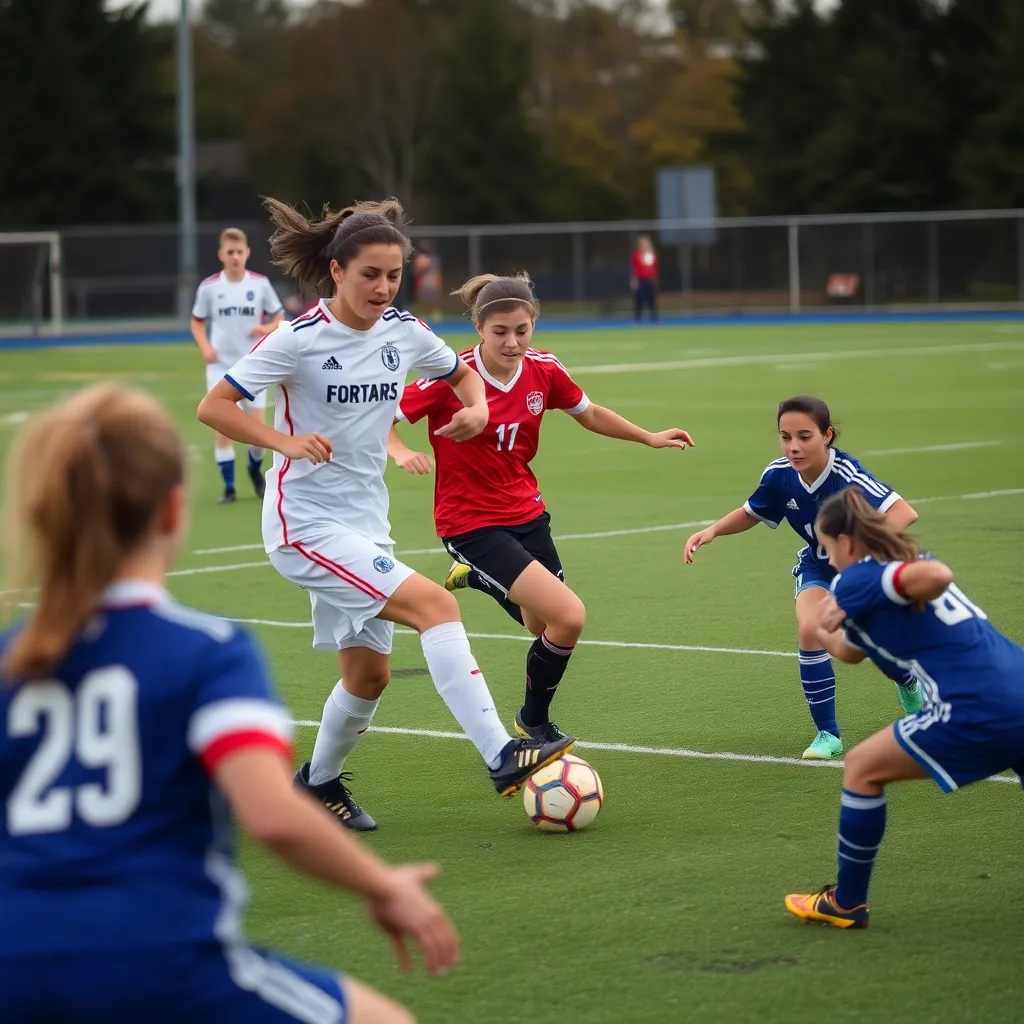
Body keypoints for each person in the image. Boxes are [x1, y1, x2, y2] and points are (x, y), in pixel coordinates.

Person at [0, 384, 459, 1024]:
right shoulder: (207, 652)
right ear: (171, 512)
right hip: (162, 962)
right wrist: (382, 887)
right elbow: (272, 816)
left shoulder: (13, 660)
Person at [198, 199, 574, 832]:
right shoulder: (299, 338)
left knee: (368, 676)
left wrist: (478, 409)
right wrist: (286, 443)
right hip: (305, 524)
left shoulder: (403, 329)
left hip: (365, 522)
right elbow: (216, 406)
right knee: (437, 605)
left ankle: (315, 787)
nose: (383, 287)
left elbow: (461, 375)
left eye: (394, 275)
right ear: (337, 271)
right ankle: (502, 754)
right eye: (370, 273)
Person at [388, 273, 694, 742]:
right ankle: (534, 721)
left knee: (540, 623)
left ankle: (476, 580)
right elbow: (381, 417)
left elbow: (588, 412)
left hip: (526, 511)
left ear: (533, 326)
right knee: (568, 617)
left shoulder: (544, 369)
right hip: (469, 523)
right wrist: (400, 451)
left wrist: (648, 436)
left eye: (522, 331)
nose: (512, 343)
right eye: (500, 332)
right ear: (478, 329)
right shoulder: (451, 375)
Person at [784, 488, 1024, 929]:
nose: (830, 560)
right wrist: (821, 624)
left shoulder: (860, 577)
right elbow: (851, 651)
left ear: (848, 542)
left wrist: (838, 602)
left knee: (860, 768)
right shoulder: (883, 573)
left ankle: (847, 903)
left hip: (977, 706)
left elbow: (935, 575)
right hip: (1018, 683)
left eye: (830, 547)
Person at [683, 396, 923, 760]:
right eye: (786, 436)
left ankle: (907, 682)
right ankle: (828, 734)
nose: (793, 446)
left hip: (863, 570)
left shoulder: (847, 475)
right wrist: (712, 531)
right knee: (810, 629)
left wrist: (860, 555)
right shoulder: (779, 475)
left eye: (804, 436)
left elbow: (903, 513)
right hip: (817, 566)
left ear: (827, 436)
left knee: (877, 645)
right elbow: (752, 512)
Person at [191, 227, 285, 504]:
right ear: (221, 255)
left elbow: (279, 317)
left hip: (253, 367)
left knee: (258, 434)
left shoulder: (259, 285)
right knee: (223, 429)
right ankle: (229, 488)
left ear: (247, 254)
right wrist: (206, 348)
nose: (234, 257)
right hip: (221, 368)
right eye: (229, 252)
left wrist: (265, 327)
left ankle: (254, 470)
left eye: (239, 252)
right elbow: (197, 321)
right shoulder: (209, 288)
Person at [410, 241, 442, 322]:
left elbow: (437, 272)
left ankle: (435, 314)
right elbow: (415, 271)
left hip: (432, 282)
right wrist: (422, 266)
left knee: (433, 299)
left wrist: (438, 282)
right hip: (423, 282)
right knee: (421, 299)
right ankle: (419, 314)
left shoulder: (434, 259)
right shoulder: (419, 258)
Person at [630, 235, 659, 322]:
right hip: (640, 280)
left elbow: (654, 267)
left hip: (649, 279)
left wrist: (655, 278)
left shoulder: (651, 253)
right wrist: (634, 280)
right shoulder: (636, 254)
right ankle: (637, 318)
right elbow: (634, 268)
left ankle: (654, 318)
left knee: (651, 299)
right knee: (639, 300)